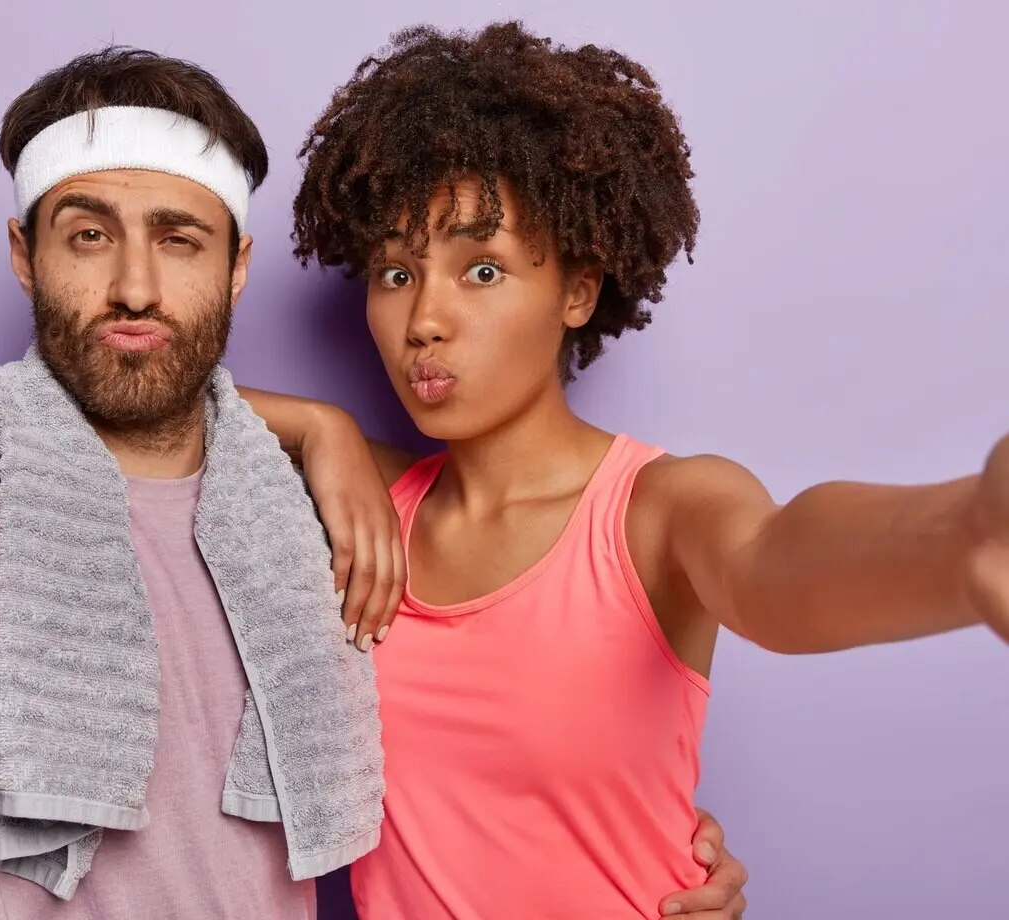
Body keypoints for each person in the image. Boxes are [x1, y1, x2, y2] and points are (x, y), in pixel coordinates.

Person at [0, 45, 752, 920]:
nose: (131, 284)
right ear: (25, 253)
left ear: (236, 266)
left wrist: (646, 852)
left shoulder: (304, 528)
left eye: (176, 238)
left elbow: (526, 732)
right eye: (86, 234)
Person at [261, 20, 1007, 920]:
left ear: (577, 290)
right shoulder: (365, 506)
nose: (425, 318)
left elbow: (777, 563)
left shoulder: (655, 510)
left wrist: (966, 535)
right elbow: (121, 408)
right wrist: (320, 425)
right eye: (393, 273)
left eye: (483, 270)